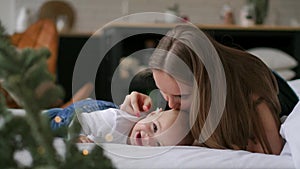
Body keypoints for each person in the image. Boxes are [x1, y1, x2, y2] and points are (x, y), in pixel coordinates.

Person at [119, 24, 299, 154]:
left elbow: (271, 150)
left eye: (180, 96)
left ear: (204, 85)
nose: (171, 104)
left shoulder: (251, 87)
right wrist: (132, 113)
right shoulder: (177, 87)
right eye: (164, 93)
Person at [77, 108, 193, 146]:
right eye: (154, 128)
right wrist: (79, 135)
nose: (147, 139)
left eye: (157, 144)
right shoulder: (114, 121)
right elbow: (79, 121)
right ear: (152, 114)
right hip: (89, 109)